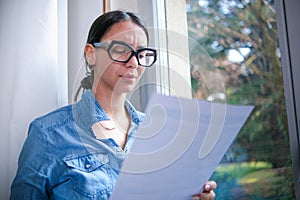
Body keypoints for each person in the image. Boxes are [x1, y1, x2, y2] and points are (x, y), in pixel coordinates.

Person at [10, 10, 216, 200]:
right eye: (120, 50)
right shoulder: (48, 134)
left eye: (142, 53)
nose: (134, 62)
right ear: (91, 54)